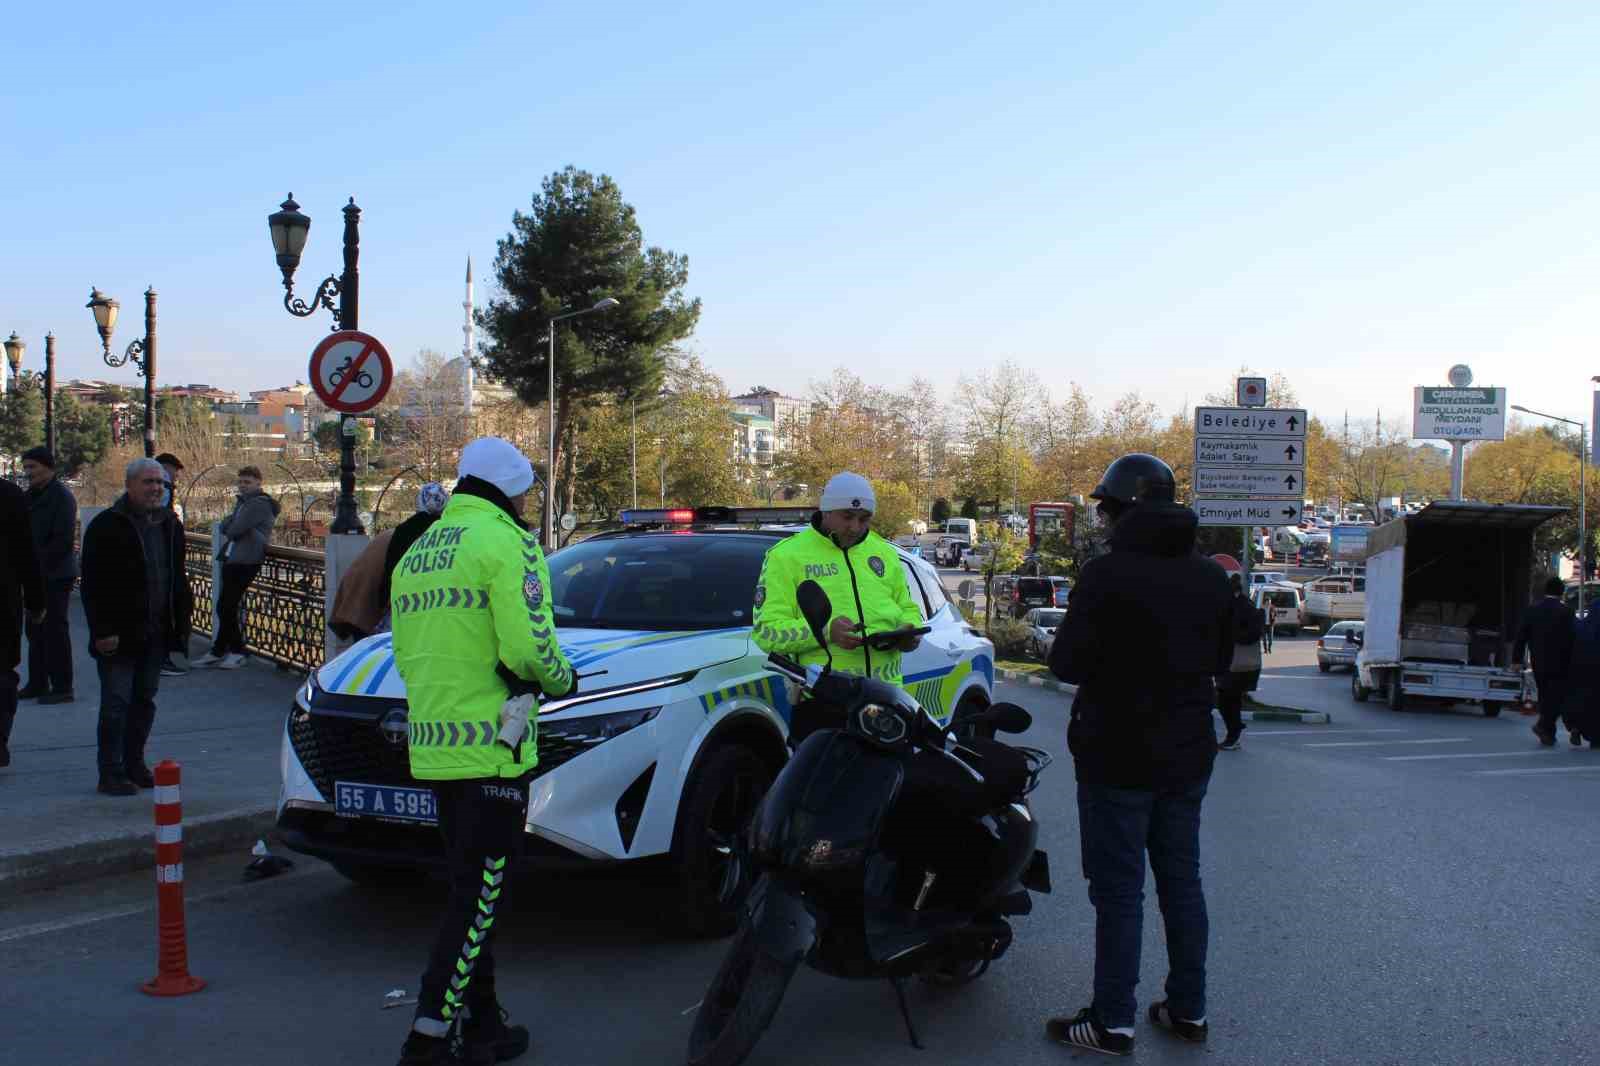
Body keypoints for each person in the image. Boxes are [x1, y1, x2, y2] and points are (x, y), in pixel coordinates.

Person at [391, 438, 575, 1066]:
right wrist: (562, 679)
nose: (527, 500)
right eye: (525, 489)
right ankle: (428, 1037)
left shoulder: (419, 549)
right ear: (511, 489)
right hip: (493, 749)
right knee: (478, 898)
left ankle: (485, 1026)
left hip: (435, 747)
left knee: (474, 892)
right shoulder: (508, 542)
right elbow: (530, 651)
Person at [1045, 453, 1232, 1056]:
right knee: (1182, 882)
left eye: (1105, 507)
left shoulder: (1106, 575)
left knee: (1120, 891)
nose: (1100, 517)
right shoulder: (1208, 576)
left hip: (1116, 753)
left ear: (1125, 508)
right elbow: (1226, 659)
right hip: (1186, 752)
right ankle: (1188, 1011)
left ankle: (1112, 1021)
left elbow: (1067, 663)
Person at [752, 471, 924, 744]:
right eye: (847, 517)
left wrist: (909, 630)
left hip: (887, 703)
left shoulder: (885, 553)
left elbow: (907, 607)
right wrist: (825, 632)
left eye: (864, 519)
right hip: (824, 705)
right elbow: (766, 632)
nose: (855, 527)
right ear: (826, 511)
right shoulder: (786, 557)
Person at [80, 458, 192, 795]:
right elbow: (93, 585)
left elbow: (177, 577)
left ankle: (134, 764)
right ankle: (110, 772)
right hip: (118, 634)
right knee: (116, 704)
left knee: (144, 700)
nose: (156, 488)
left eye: (160, 482)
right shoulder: (107, 525)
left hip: (155, 631)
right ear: (130, 486)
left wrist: (180, 625)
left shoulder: (169, 525)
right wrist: (102, 631)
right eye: (148, 482)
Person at [194, 466, 280, 670]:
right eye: (240, 482)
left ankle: (237, 651)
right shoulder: (244, 503)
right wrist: (231, 524)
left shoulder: (258, 504)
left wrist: (232, 524)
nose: (243, 486)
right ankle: (220, 649)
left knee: (226, 606)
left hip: (247, 559)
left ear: (259, 484)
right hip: (234, 557)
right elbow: (228, 525)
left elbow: (233, 529)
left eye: (247, 482)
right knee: (225, 605)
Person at [19, 447, 78, 704]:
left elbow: (62, 542)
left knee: (55, 630)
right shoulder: (29, 496)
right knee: (34, 630)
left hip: (55, 574)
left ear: (48, 467)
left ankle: (63, 686)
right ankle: (38, 682)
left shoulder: (62, 497)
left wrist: (37, 566)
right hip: (35, 574)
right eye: (26, 467)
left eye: (33, 467)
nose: (28, 472)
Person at [0, 475, 45, 769]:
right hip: (4, 602)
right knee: (3, 674)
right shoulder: (10, 495)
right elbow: (27, 552)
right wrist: (36, 600)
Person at [1514, 577, 1578, 746]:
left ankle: (1548, 733)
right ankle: (1543, 725)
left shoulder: (1533, 610)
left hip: (1538, 661)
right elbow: (1574, 637)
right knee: (1557, 697)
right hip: (1561, 662)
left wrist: (1516, 659)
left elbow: (1521, 636)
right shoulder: (1567, 612)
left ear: (1545, 591)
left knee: (1545, 695)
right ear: (1561, 592)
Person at [1215, 575, 1263, 750]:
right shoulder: (1237, 605)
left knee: (1227, 700)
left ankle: (1234, 734)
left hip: (1237, 664)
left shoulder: (1242, 607)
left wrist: (1230, 635)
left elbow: (1250, 633)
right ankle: (1234, 731)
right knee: (1227, 700)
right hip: (1232, 663)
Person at [154, 452, 191, 677]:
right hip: (166, 562)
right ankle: (165, 655)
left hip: (165, 559)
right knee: (168, 606)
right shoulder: (163, 490)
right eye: (175, 471)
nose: (176, 476)